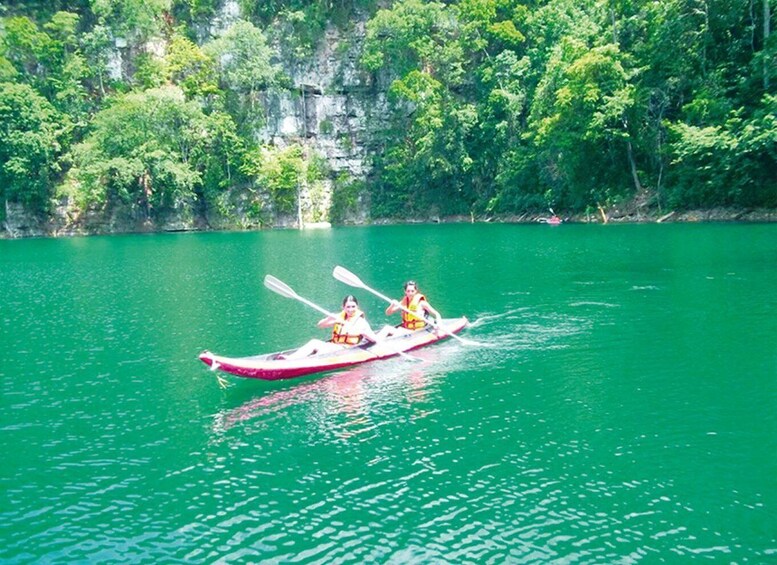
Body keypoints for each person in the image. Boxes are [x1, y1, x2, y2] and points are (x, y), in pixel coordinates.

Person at [283, 295, 379, 359]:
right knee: (314, 342)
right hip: (335, 346)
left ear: (357, 307)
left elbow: (374, 340)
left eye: (353, 307)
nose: (350, 310)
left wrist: (362, 332)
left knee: (323, 349)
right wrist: (328, 319)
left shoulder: (361, 322)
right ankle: (290, 359)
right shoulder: (339, 318)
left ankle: (305, 361)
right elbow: (320, 325)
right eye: (348, 307)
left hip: (348, 349)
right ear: (343, 307)